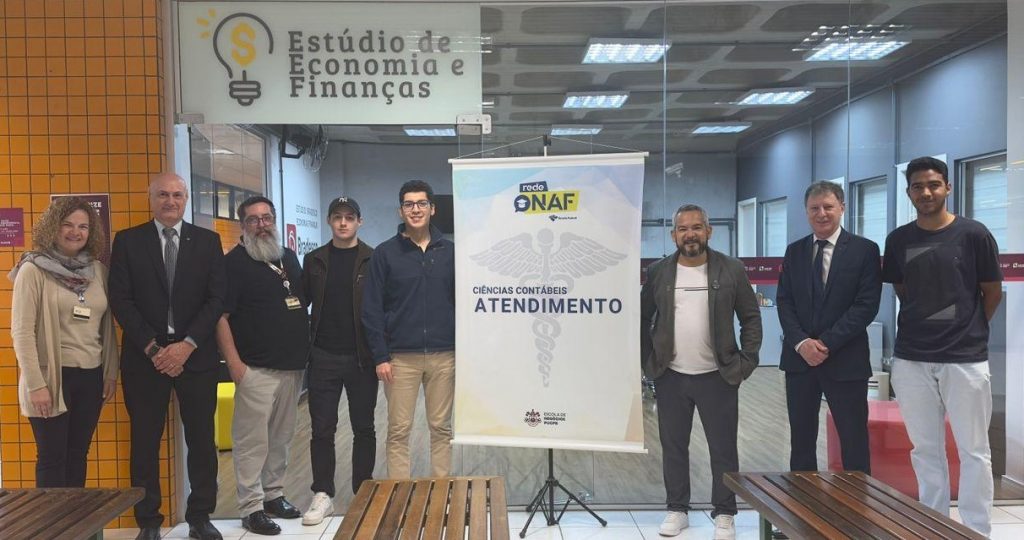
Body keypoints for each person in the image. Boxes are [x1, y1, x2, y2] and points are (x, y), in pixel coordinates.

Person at [883, 156, 1003, 537]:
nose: (927, 192)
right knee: (925, 450)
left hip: (964, 359)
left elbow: (991, 292)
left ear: (948, 188)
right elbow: (903, 291)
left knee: (974, 451)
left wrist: (967, 328)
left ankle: (977, 529)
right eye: (918, 186)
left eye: (934, 184)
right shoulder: (899, 239)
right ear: (909, 193)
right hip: (912, 358)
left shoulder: (974, 234)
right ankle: (931, 526)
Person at [108, 172, 226, 540]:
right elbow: (121, 301)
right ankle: (148, 522)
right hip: (146, 359)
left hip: (196, 356)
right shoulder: (128, 242)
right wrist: (155, 349)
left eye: (177, 194)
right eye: (163, 194)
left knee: (203, 440)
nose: (170, 201)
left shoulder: (208, 242)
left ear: (187, 198)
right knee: (144, 440)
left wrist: (187, 344)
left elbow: (216, 299)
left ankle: (200, 517)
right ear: (151, 199)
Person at [640, 204, 762, 540]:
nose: (690, 234)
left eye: (696, 227)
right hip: (672, 375)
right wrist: (649, 363)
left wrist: (746, 362)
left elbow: (751, 318)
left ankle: (725, 513)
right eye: (683, 229)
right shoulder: (660, 272)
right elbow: (641, 317)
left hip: (718, 375)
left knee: (723, 449)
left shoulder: (731, 269)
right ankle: (677, 509)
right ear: (674, 235)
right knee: (673, 446)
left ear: (709, 231)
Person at [215, 197, 309, 535]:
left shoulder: (288, 257)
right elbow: (220, 318)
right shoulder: (233, 264)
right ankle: (251, 507)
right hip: (255, 369)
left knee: (281, 439)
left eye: (267, 218)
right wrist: (235, 365)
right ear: (243, 225)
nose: (262, 224)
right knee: (251, 442)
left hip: (292, 367)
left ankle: (274, 495)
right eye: (254, 220)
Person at [10, 197, 118, 487]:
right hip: (51, 378)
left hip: (91, 376)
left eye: (83, 226)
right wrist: (36, 384)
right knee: (52, 458)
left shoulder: (98, 272)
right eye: (67, 224)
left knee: (78, 455)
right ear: (52, 228)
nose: (75, 232)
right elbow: (21, 332)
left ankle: (76, 526)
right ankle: (53, 530)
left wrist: (109, 372)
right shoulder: (33, 270)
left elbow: (106, 327)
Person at [777, 181, 882, 474]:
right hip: (800, 362)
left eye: (828, 207)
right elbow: (784, 302)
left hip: (845, 361)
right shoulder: (795, 251)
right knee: (801, 441)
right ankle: (803, 509)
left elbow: (865, 306)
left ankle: (856, 509)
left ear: (842, 208)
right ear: (806, 212)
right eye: (814, 208)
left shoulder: (865, 250)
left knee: (853, 440)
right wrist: (801, 344)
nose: (821, 213)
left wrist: (824, 344)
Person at [362, 180, 456, 479]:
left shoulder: (450, 252)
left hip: (444, 355)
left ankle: (442, 492)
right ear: (400, 211)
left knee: (441, 428)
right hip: (400, 358)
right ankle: (400, 497)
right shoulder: (384, 254)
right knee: (399, 430)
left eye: (421, 203)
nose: (415, 209)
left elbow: (463, 303)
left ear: (432, 208)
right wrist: (380, 356)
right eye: (409, 204)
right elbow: (371, 308)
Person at [300, 197, 377, 525]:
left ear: (360, 221)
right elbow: (299, 303)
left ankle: (363, 491)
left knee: (364, 427)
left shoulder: (374, 259)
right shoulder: (314, 260)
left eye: (349, 217)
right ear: (329, 222)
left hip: (363, 358)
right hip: (324, 356)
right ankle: (323, 494)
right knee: (322, 429)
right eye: (337, 217)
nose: (343, 223)